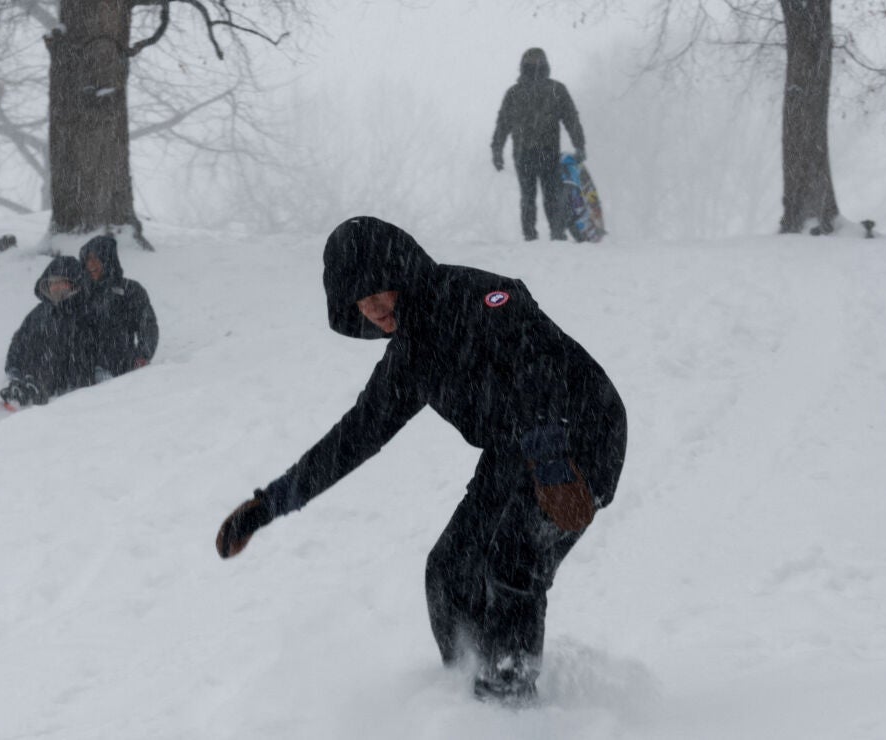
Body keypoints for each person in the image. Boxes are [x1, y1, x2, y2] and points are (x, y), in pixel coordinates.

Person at [215, 217, 627, 704]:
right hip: (512, 454)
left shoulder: (483, 297)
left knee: (513, 561)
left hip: (582, 437)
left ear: (398, 272)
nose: (370, 310)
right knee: (449, 570)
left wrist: (552, 463)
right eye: (359, 304)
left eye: (374, 293)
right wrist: (270, 504)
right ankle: (466, 687)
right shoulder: (410, 359)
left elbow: (537, 368)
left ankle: (509, 703)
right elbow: (353, 437)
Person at [491, 48, 586, 242]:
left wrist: (497, 151)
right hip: (546, 151)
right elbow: (571, 119)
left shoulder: (515, 93)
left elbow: (502, 125)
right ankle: (555, 232)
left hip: (526, 153)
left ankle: (531, 236)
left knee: (529, 197)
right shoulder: (555, 90)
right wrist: (579, 144)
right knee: (549, 195)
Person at [0, 255, 98, 407]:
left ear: (74, 284)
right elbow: (18, 344)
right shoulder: (38, 314)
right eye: (52, 283)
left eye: (61, 282)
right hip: (34, 386)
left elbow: (95, 352)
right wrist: (14, 373)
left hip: (76, 395)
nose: (56, 287)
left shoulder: (88, 312)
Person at [78, 235, 159, 376]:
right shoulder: (80, 293)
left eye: (95, 258)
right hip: (83, 371)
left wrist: (143, 356)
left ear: (108, 259)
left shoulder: (130, 290)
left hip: (121, 370)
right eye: (87, 260)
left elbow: (147, 325)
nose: (91, 264)